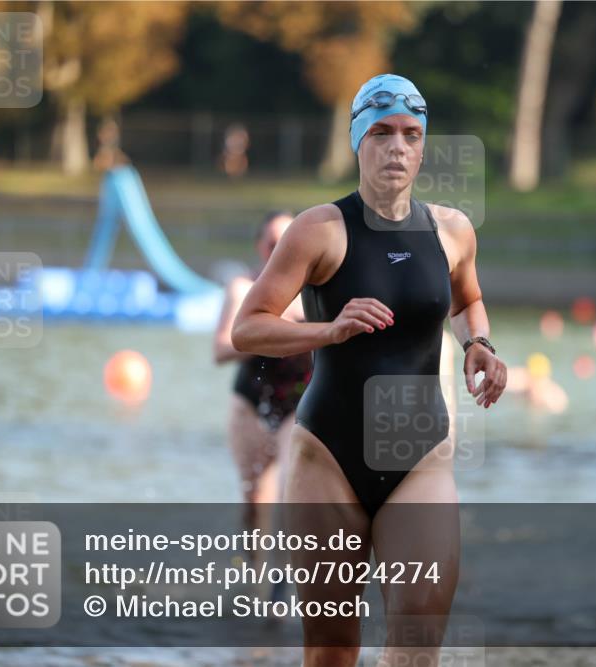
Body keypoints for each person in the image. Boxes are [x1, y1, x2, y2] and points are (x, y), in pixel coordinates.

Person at [232, 73, 506, 667]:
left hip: (421, 459)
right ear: (359, 140)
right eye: (381, 132)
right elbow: (248, 326)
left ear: (424, 144)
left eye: (411, 133)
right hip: (327, 456)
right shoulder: (319, 230)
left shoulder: (452, 230)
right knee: (332, 650)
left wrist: (477, 344)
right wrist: (326, 330)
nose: (397, 147)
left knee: (416, 649)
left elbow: (466, 300)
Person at [214, 210, 312, 539]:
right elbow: (221, 350)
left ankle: (283, 585)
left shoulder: (313, 294)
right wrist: (265, 334)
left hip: (296, 406)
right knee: (254, 500)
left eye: (286, 243)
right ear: (260, 247)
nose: (279, 250)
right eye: (272, 243)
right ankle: (253, 580)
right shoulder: (242, 289)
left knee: (289, 491)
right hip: (250, 404)